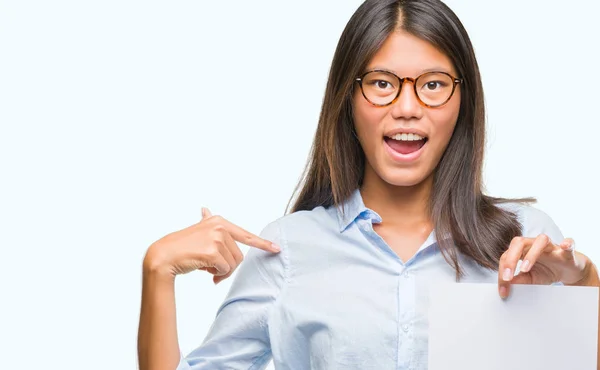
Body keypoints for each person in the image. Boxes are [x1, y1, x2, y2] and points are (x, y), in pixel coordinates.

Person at [137, 0, 600, 369]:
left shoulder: (525, 242)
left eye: (433, 85)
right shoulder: (287, 250)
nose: (407, 107)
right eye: (381, 84)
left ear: (463, 100)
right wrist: (157, 271)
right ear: (348, 97)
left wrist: (583, 284)